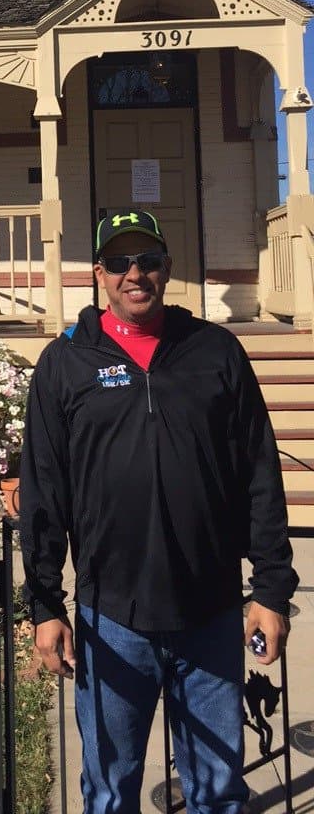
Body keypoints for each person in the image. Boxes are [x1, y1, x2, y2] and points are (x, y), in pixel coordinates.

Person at [19, 209, 297, 814]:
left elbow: (258, 472)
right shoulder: (66, 364)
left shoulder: (214, 351)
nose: (134, 273)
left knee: (217, 791)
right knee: (110, 791)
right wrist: (44, 604)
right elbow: (44, 491)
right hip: (111, 620)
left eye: (146, 260)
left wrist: (271, 590)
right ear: (99, 273)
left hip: (211, 612)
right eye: (119, 262)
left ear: (167, 269)